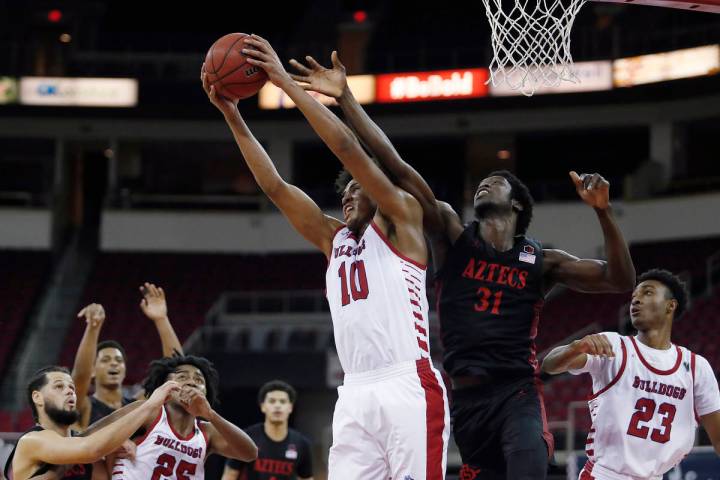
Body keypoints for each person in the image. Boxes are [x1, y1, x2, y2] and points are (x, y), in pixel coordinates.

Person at [287, 52, 636, 480]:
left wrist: (603, 213)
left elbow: (620, 279)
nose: (486, 181)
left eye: (498, 180)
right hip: (465, 397)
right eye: (483, 181)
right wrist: (346, 99)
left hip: (516, 391)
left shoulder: (541, 261)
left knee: (529, 466)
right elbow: (395, 167)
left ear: (518, 203)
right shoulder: (452, 235)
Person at [202, 34, 448, 480]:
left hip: (406, 382)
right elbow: (275, 187)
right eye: (345, 192)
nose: (350, 195)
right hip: (353, 390)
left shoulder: (402, 218)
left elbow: (349, 150)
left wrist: (284, 82)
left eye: (359, 189)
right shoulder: (333, 241)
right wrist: (233, 116)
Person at [542, 269, 720, 479]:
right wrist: (575, 347)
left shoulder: (696, 367)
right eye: (634, 296)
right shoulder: (614, 346)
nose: (635, 301)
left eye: (647, 293)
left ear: (670, 305)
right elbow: (549, 365)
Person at [3, 366, 179, 480]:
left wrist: (113, 451)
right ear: (37, 397)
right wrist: (150, 405)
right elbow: (90, 448)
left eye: (71, 388)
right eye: (59, 386)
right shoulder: (32, 441)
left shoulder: (85, 450)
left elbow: (92, 445)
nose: (69, 392)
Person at [109, 355, 257, 480]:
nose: (192, 382)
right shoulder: (148, 412)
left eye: (199, 381)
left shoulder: (206, 432)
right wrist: (120, 440)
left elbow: (250, 454)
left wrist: (211, 415)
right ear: (164, 386)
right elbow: (93, 434)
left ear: (206, 392)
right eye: (182, 377)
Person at [72, 283, 183, 428]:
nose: (114, 363)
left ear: (124, 369)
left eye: (119, 360)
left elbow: (175, 370)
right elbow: (80, 375)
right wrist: (93, 328)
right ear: (92, 370)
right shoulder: (84, 406)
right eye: (105, 360)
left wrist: (161, 319)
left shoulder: (138, 405)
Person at [221, 380, 313, 480]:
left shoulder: (301, 444)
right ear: (263, 406)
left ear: (290, 407)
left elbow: (306, 478)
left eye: (283, 401)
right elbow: (229, 475)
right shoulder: (246, 438)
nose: (277, 406)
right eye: (272, 401)